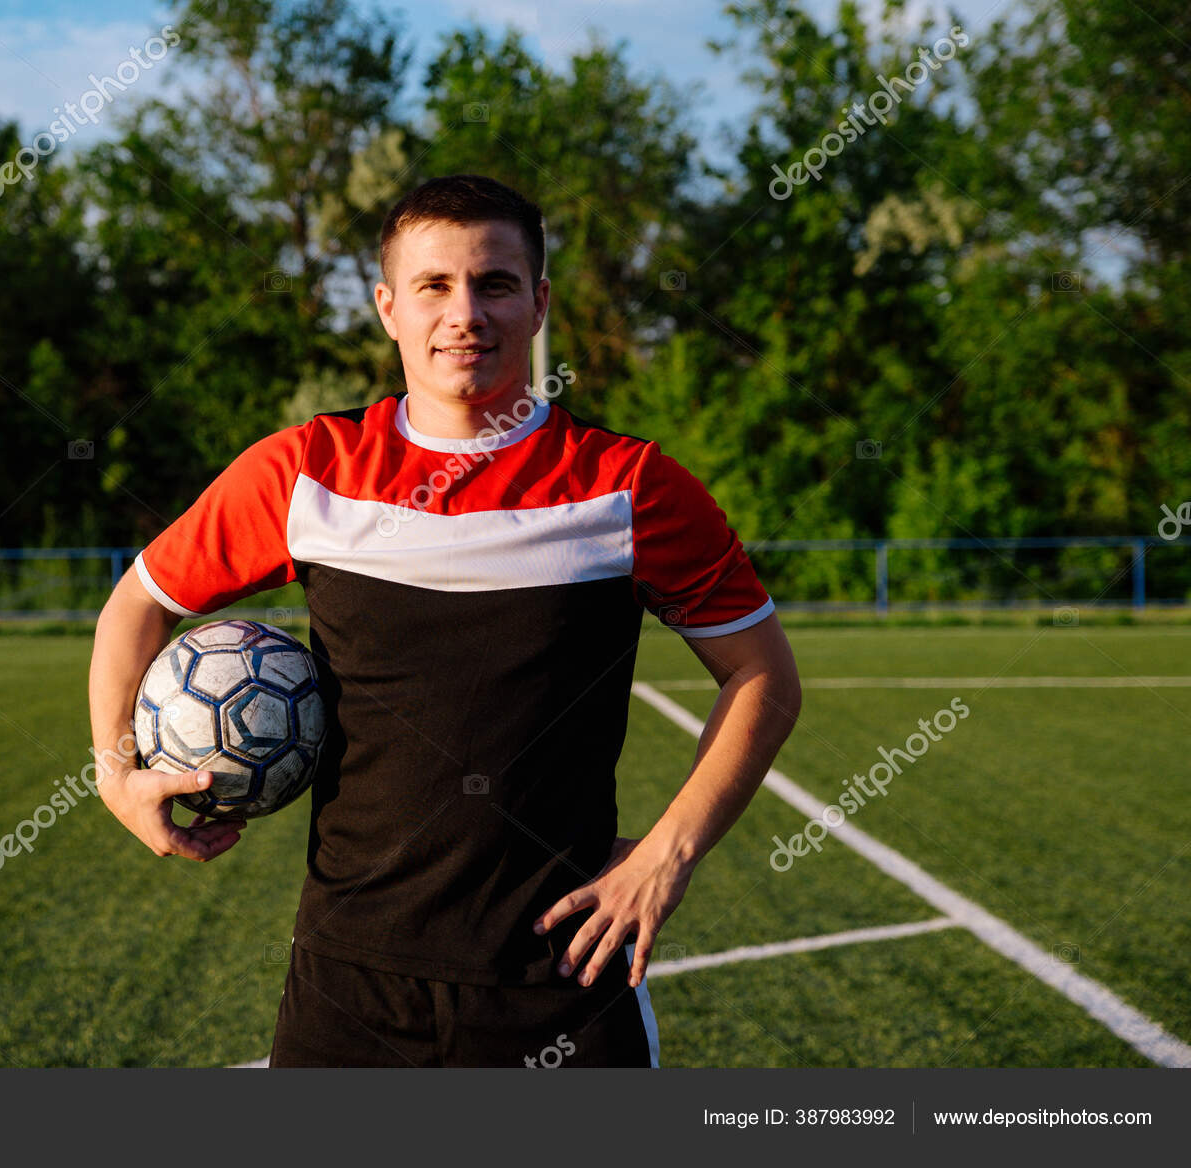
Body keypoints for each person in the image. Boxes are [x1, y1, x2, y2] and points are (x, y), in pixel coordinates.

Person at [88, 173, 802, 1067]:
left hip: (562, 978)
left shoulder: (628, 487)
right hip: (349, 981)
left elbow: (763, 675)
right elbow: (139, 602)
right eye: (434, 285)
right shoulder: (308, 471)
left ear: (538, 304)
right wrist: (117, 775)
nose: (464, 313)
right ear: (388, 307)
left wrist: (669, 852)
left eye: (494, 283)